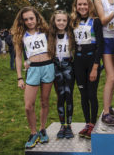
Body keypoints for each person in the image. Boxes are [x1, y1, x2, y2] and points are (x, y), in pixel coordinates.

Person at [12, 6, 54, 148]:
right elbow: (18, 57)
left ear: (37, 18)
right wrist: (19, 77)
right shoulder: (20, 35)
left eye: (32, 18)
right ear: (22, 21)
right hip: (33, 70)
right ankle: (33, 132)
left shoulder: (46, 31)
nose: (29, 21)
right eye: (26, 19)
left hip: (48, 67)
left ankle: (42, 129)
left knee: (44, 102)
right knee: (29, 106)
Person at [72, 0, 104, 137]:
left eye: (85, 4)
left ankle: (92, 123)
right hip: (78, 62)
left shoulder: (95, 21)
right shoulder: (73, 22)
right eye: (80, 4)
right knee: (83, 95)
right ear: (76, 6)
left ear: (89, 5)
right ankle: (86, 123)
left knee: (92, 94)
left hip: (92, 61)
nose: (82, 7)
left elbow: (100, 45)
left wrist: (96, 67)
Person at [48, 10, 75, 139]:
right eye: (58, 20)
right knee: (60, 96)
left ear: (68, 21)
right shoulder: (50, 36)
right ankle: (62, 125)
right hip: (56, 68)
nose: (61, 23)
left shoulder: (71, 34)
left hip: (68, 67)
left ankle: (69, 125)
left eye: (64, 20)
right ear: (54, 21)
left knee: (69, 95)